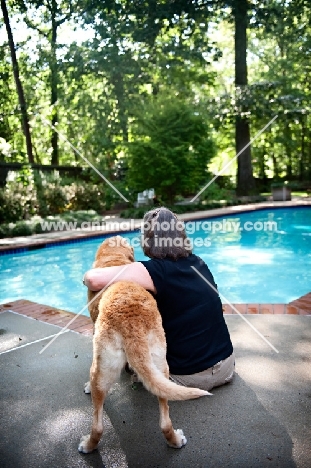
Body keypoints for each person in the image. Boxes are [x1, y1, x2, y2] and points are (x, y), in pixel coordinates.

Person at [83, 207, 235, 391]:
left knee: (133, 349)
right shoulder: (199, 263)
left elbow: (93, 279)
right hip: (226, 366)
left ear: (147, 239)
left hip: (189, 377)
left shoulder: (153, 271)